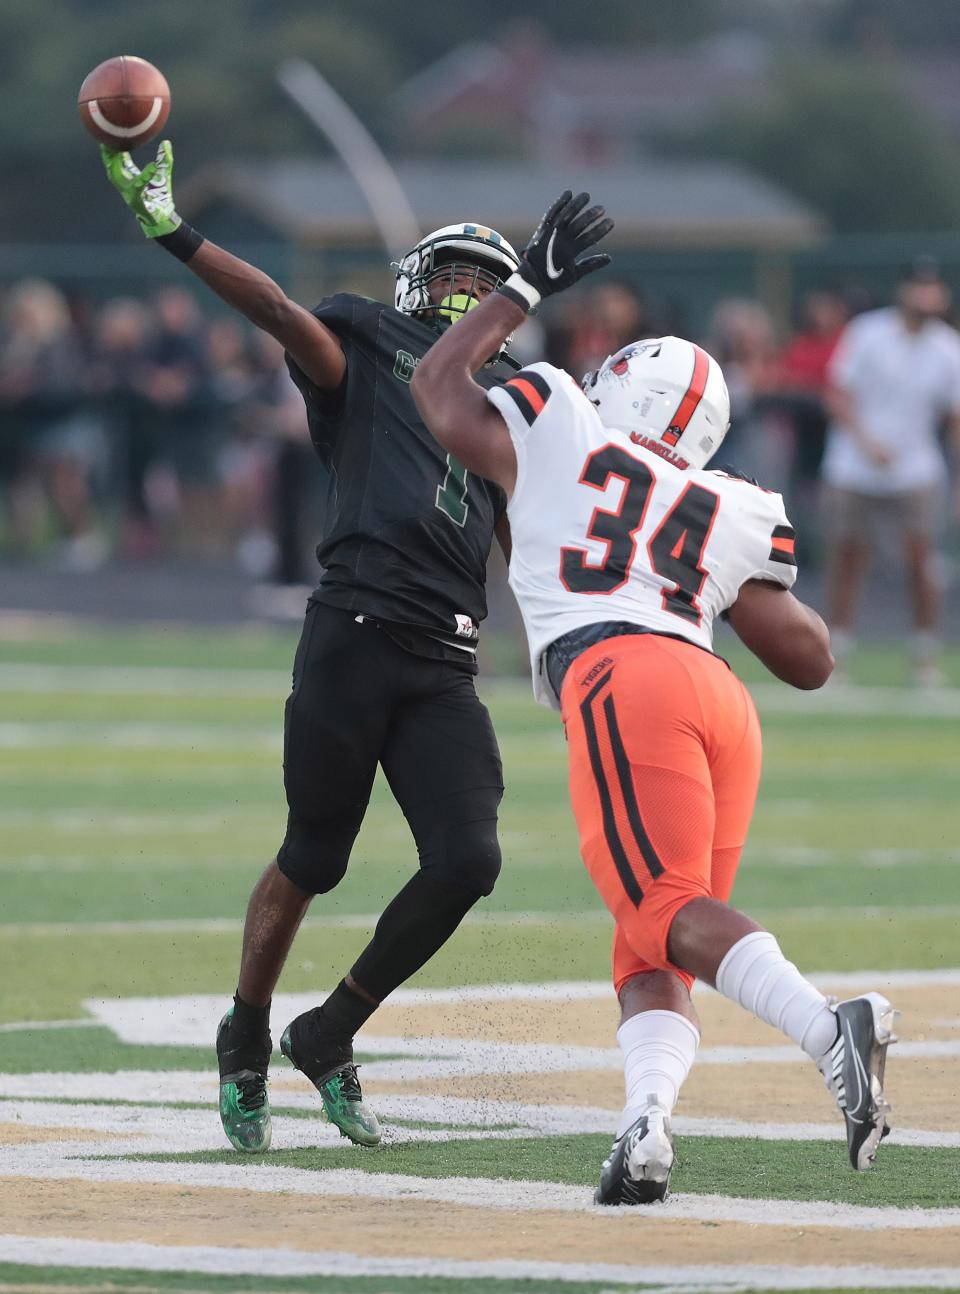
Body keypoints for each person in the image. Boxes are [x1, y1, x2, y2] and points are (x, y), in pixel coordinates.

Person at [412, 191, 898, 1203]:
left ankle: (827, 1027)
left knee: (665, 908)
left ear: (615, 389)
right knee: (649, 933)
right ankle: (646, 1127)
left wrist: (524, 287)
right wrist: (733, 582)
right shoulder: (730, 501)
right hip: (715, 697)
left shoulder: (558, 416)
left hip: (618, 675)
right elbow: (808, 659)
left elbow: (439, 390)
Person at [102, 140, 523, 1153]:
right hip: (355, 631)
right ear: (421, 289)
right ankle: (244, 1032)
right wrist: (175, 231)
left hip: (445, 659)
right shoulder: (373, 349)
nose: (467, 301)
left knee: (467, 858)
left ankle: (327, 1028)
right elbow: (283, 313)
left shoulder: (518, 404)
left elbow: (532, 535)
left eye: (487, 289)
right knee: (314, 857)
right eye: (454, 280)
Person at [821, 258, 960, 686]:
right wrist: (865, 442)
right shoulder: (867, 332)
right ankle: (835, 657)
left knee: (922, 564)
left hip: (916, 473)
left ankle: (924, 658)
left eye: (932, 287)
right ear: (903, 291)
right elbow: (838, 393)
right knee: (849, 558)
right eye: (919, 286)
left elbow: (954, 419)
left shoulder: (947, 347)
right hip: (852, 469)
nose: (926, 295)